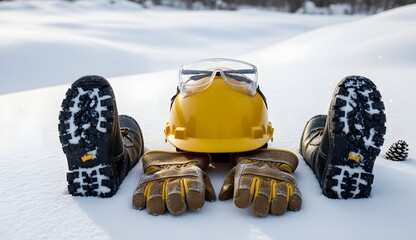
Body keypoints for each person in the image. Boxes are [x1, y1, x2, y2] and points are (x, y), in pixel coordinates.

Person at [58, 58, 386, 217]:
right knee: (313, 131)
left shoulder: (179, 127)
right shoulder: (259, 126)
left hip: (188, 140)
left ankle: (116, 151)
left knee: (129, 129)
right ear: (266, 134)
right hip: (248, 139)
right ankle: (328, 150)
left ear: (171, 133)